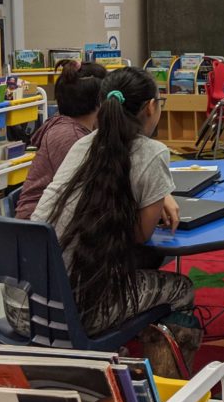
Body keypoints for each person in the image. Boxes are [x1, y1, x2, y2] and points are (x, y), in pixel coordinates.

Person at [32, 67, 192, 336]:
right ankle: (166, 375)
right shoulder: (153, 152)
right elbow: (141, 235)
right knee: (182, 288)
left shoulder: (82, 145)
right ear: (151, 107)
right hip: (73, 314)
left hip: (26, 305)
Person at [15, 60, 107, 219]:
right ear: (100, 100)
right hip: (40, 229)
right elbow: (92, 191)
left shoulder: (70, 127)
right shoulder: (70, 137)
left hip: (55, 221)